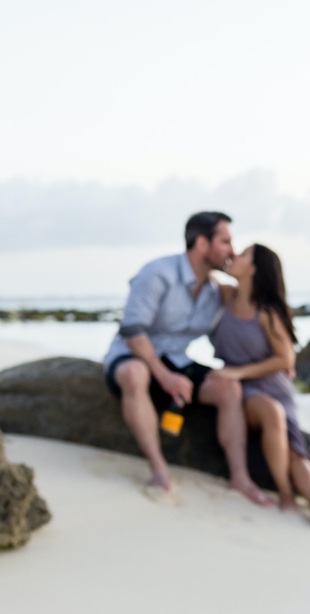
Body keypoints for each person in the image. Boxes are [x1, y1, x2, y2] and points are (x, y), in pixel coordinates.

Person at [100, 211, 274, 504]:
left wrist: (280, 361)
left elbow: (252, 320)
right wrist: (164, 375)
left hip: (180, 361)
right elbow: (132, 329)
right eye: (225, 241)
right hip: (136, 356)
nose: (231, 250)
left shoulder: (216, 291)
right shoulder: (158, 273)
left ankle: (240, 478)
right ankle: (158, 470)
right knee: (134, 374)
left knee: (228, 387)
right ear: (202, 244)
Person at [210, 244, 310, 527]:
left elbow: (285, 358)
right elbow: (207, 271)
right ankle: (286, 494)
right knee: (271, 412)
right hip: (245, 390)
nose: (234, 256)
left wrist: (237, 372)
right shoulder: (226, 296)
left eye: (242, 255)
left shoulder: (266, 311)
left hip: (271, 385)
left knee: (295, 449)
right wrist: (223, 258)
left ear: (254, 269)